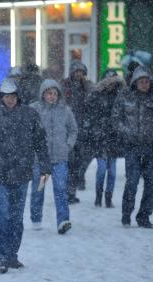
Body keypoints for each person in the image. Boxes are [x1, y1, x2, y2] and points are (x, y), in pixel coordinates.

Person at [0, 78, 50, 274]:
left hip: (22, 172)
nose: (10, 100)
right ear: (1, 97)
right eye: (6, 96)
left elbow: (40, 142)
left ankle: (12, 255)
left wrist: (44, 166)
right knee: (2, 214)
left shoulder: (30, 115)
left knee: (16, 217)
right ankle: (1, 256)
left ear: (18, 97)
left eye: (13, 96)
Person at [112, 66, 153, 228]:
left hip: (151, 147)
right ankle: (126, 213)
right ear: (135, 82)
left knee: (150, 184)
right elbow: (115, 118)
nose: (144, 84)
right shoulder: (124, 97)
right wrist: (126, 132)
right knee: (132, 182)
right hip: (132, 147)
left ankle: (144, 216)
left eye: (147, 81)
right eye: (141, 81)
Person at [29, 79, 78, 233]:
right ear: (43, 94)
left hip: (59, 159)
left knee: (60, 189)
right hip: (41, 161)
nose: (52, 96)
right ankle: (36, 218)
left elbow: (73, 130)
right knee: (39, 189)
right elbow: (26, 131)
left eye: (55, 93)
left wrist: (68, 145)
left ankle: (63, 220)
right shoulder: (34, 110)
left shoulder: (65, 110)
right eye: (49, 93)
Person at [85, 69, 125, 207]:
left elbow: (123, 116)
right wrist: (93, 130)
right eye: (108, 82)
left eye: (113, 82)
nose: (110, 85)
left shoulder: (121, 96)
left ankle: (108, 198)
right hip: (99, 137)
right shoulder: (95, 96)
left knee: (112, 171)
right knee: (102, 169)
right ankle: (98, 196)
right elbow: (89, 113)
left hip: (114, 138)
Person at [61, 60, 95, 204]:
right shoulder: (64, 86)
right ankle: (68, 192)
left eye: (81, 71)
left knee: (80, 160)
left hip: (83, 128)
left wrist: (88, 86)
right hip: (67, 129)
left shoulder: (86, 86)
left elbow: (94, 100)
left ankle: (72, 189)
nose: (79, 74)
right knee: (70, 162)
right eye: (76, 71)